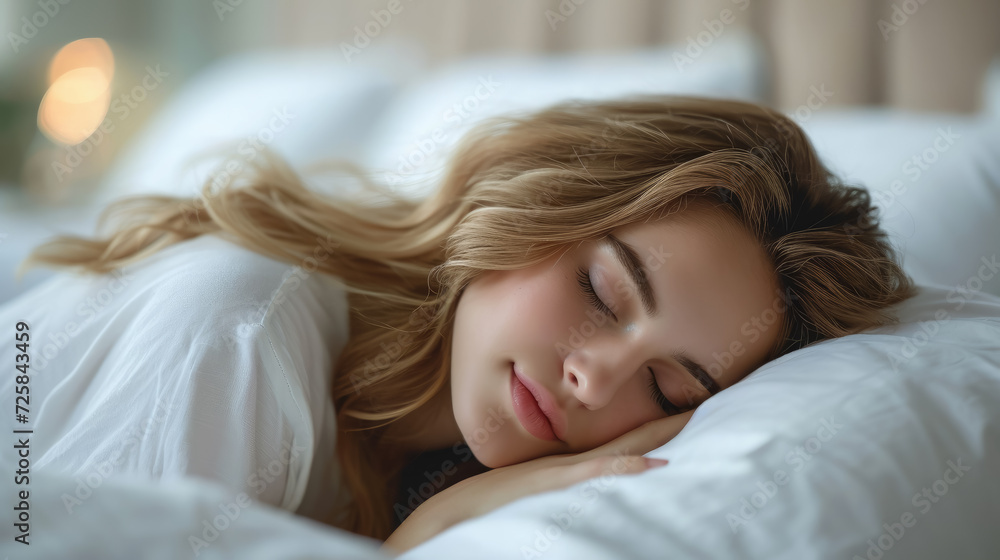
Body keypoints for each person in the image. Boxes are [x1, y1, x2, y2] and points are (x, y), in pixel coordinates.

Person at [14, 95, 915, 551]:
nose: (597, 380)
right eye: (602, 290)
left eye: (669, 385)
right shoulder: (247, 335)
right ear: (536, 200)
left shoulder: (404, 463)